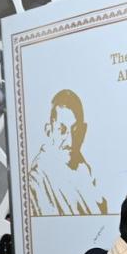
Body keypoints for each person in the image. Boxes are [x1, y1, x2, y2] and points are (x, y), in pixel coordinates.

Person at [28, 89, 109, 217]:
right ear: (49, 131)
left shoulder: (87, 174)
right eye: (62, 130)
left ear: (83, 131)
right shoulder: (36, 182)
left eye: (75, 130)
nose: (70, 140)